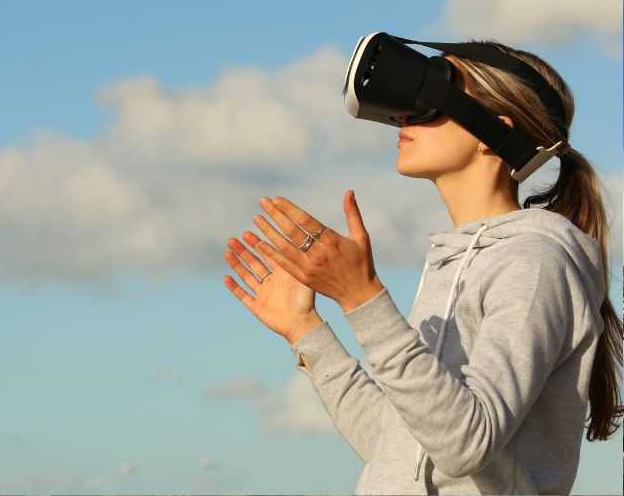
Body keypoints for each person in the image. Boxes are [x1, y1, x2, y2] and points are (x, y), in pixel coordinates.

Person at [222, 41, 622, 494]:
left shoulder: (535, 263)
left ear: (491, 132)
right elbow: (400, 451)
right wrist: (305, 331)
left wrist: (361, 297)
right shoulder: (451, 263)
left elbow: (467, 445)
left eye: (431, 93)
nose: (403, 116)